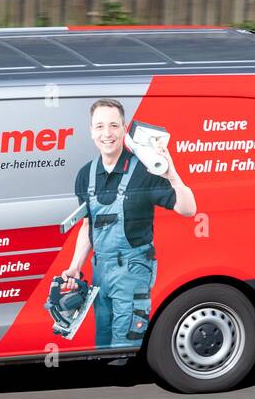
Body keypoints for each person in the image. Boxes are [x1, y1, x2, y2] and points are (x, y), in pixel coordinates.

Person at [62, 98, 196, 347]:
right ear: (91, 131)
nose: (107, 133)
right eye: (100, 126)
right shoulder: (85, 175)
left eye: (114, 126)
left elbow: (188, 209)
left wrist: (172, 174)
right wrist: (74, 266)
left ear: (124, 129)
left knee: (125, 343)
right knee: (102, 343)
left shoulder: (144, 171)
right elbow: (88, 225)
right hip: (99, 272)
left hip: (132, 271)